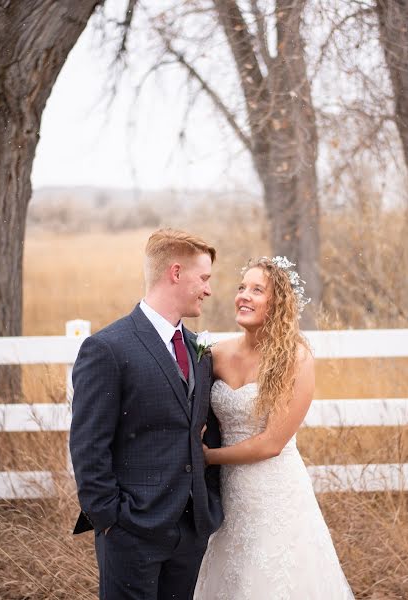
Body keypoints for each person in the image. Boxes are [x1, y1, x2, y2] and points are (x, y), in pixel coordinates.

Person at [69, 228, 224, 599]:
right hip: (130, 531)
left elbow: (206, 432)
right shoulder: (107, 348)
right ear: (175, 273)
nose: (208, 289)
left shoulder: (198, 350)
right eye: (203, 278)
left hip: (189, 530)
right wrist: (110, 519)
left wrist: (207, 503)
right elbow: (88, 446)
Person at [194, 256, 354, 599]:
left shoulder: (294, 358)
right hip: (228, 495)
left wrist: (208, 457)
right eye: (241, 288)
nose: (244, 296)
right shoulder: (214, 354)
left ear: (277, 302)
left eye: (256, 290)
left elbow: (271, 443)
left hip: (275, 493)